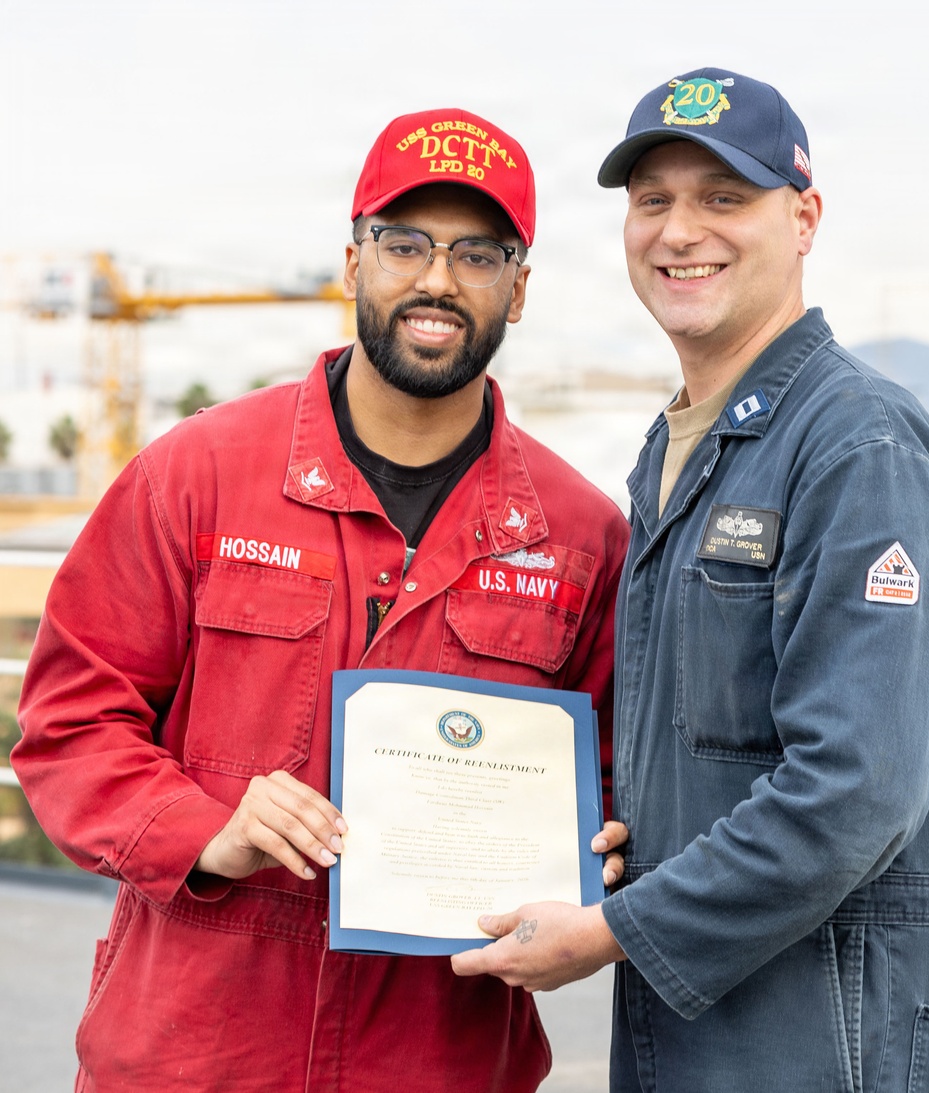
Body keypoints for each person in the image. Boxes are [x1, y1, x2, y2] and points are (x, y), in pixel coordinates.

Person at [12, 107, 630, 1093]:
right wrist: (203, 831)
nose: (437, 279)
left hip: (439, 1062)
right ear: (352, 263)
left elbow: (611, 780)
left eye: (478, 254)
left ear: (518, 290)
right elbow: (69, 727)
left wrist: (598, 864)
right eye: (404, 244)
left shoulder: (582, 536)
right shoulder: (197, 475)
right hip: (190, 1056)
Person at [452, 69, 929, 1091]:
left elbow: (856, 789)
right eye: (651, 199)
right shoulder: (682, 447)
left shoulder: (857, 448)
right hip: (706, 1039)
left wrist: (612, 928)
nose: (678, 230)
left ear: (804, 218)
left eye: (723, 196)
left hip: (834, 1045)